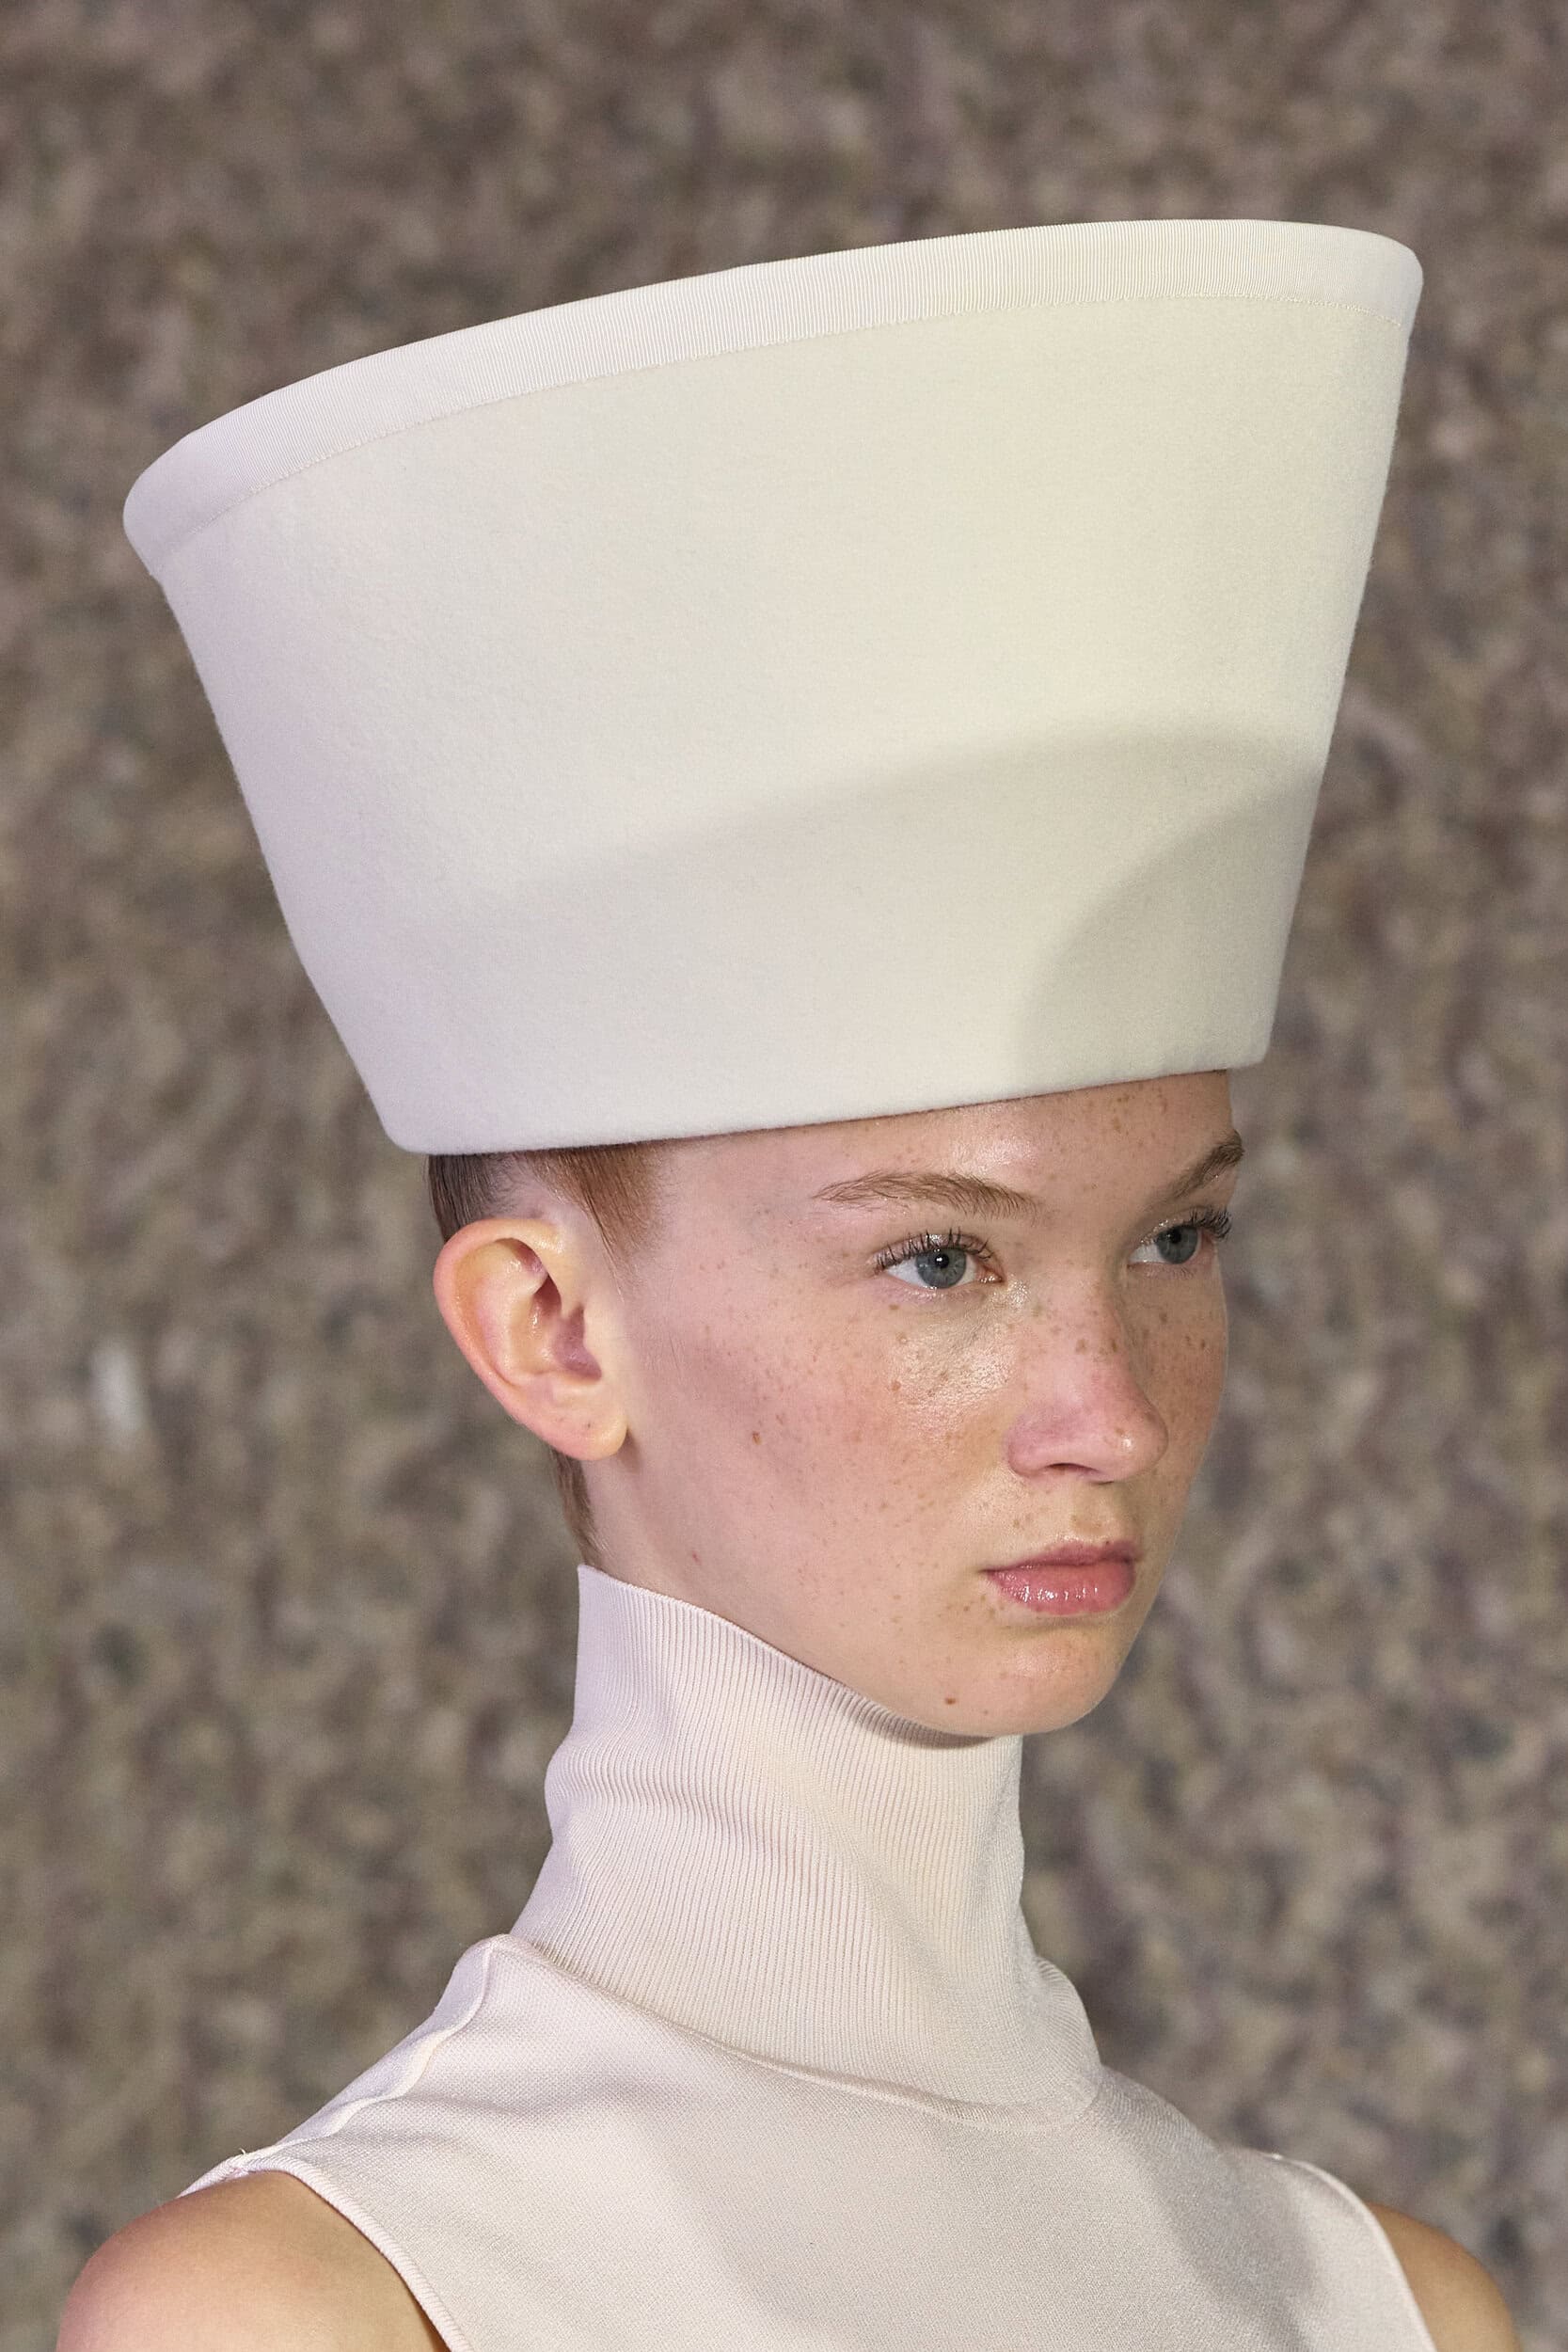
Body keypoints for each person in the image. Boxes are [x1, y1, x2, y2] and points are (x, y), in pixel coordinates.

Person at [64, 217, 1520, 2348]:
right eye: (940, 1258)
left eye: (1174, 1238)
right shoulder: (316, 2310)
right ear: (551, 1330)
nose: (1111, 1407)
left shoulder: (1390, 2304)